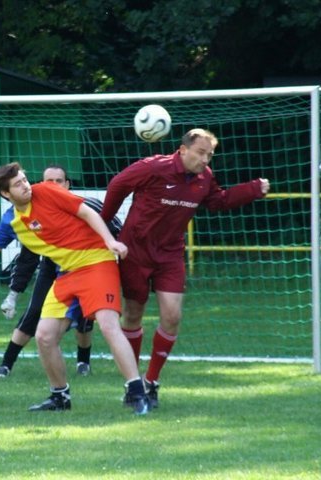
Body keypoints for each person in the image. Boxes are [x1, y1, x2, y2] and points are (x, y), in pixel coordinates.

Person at [0, 162, 150, 414]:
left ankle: (136, 392)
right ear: (5, 193)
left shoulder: (46, 190)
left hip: (96, 261)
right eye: (17, 184)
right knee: (44, 336)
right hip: (67, 273)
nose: (26, 186)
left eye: (24, 180)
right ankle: (60, 397)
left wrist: (110, 241)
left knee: (108, 324)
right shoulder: (12, 221)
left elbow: (87, 213)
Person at [100, 128, 271, 408]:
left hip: (170, 255)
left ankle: (151, 382)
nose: (205, 159)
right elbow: (118, 184)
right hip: (136, 250)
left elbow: (218, 201)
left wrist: (252, 190)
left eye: (210, 155)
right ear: (183, 150)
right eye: (201, 153)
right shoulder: (154, 167)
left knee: (172, 316)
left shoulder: (205, 178)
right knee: (132, 315)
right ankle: (133, 384)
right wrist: (105, 222)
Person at [0, 165, 122, 378]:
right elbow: (26, 260)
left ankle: (83, 362)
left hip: (88, 264)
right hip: (53, 266)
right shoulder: (25, 216)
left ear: (67, 184)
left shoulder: (86, 205)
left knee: (87, 317)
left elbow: (115, 227)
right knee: (35, 310)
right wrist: (13, 294)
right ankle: (6, 364)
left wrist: (114, 246)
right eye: (49, 181)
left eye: (58, 181)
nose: (53, 185)